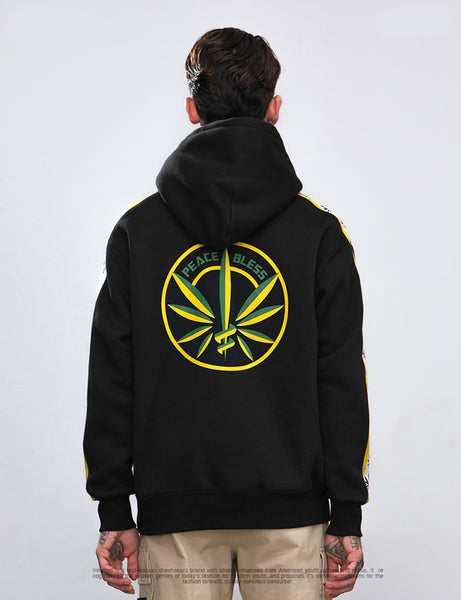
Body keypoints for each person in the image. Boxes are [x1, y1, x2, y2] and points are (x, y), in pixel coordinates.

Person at [83, 27, 370, 600]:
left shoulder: (139, 231)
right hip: (292, 515)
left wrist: (114, 506)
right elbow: (341, 375)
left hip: (174, 512)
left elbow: (112, 373)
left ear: (192, 110)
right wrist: (346, 514)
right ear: (275, 109)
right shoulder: (318, 234)